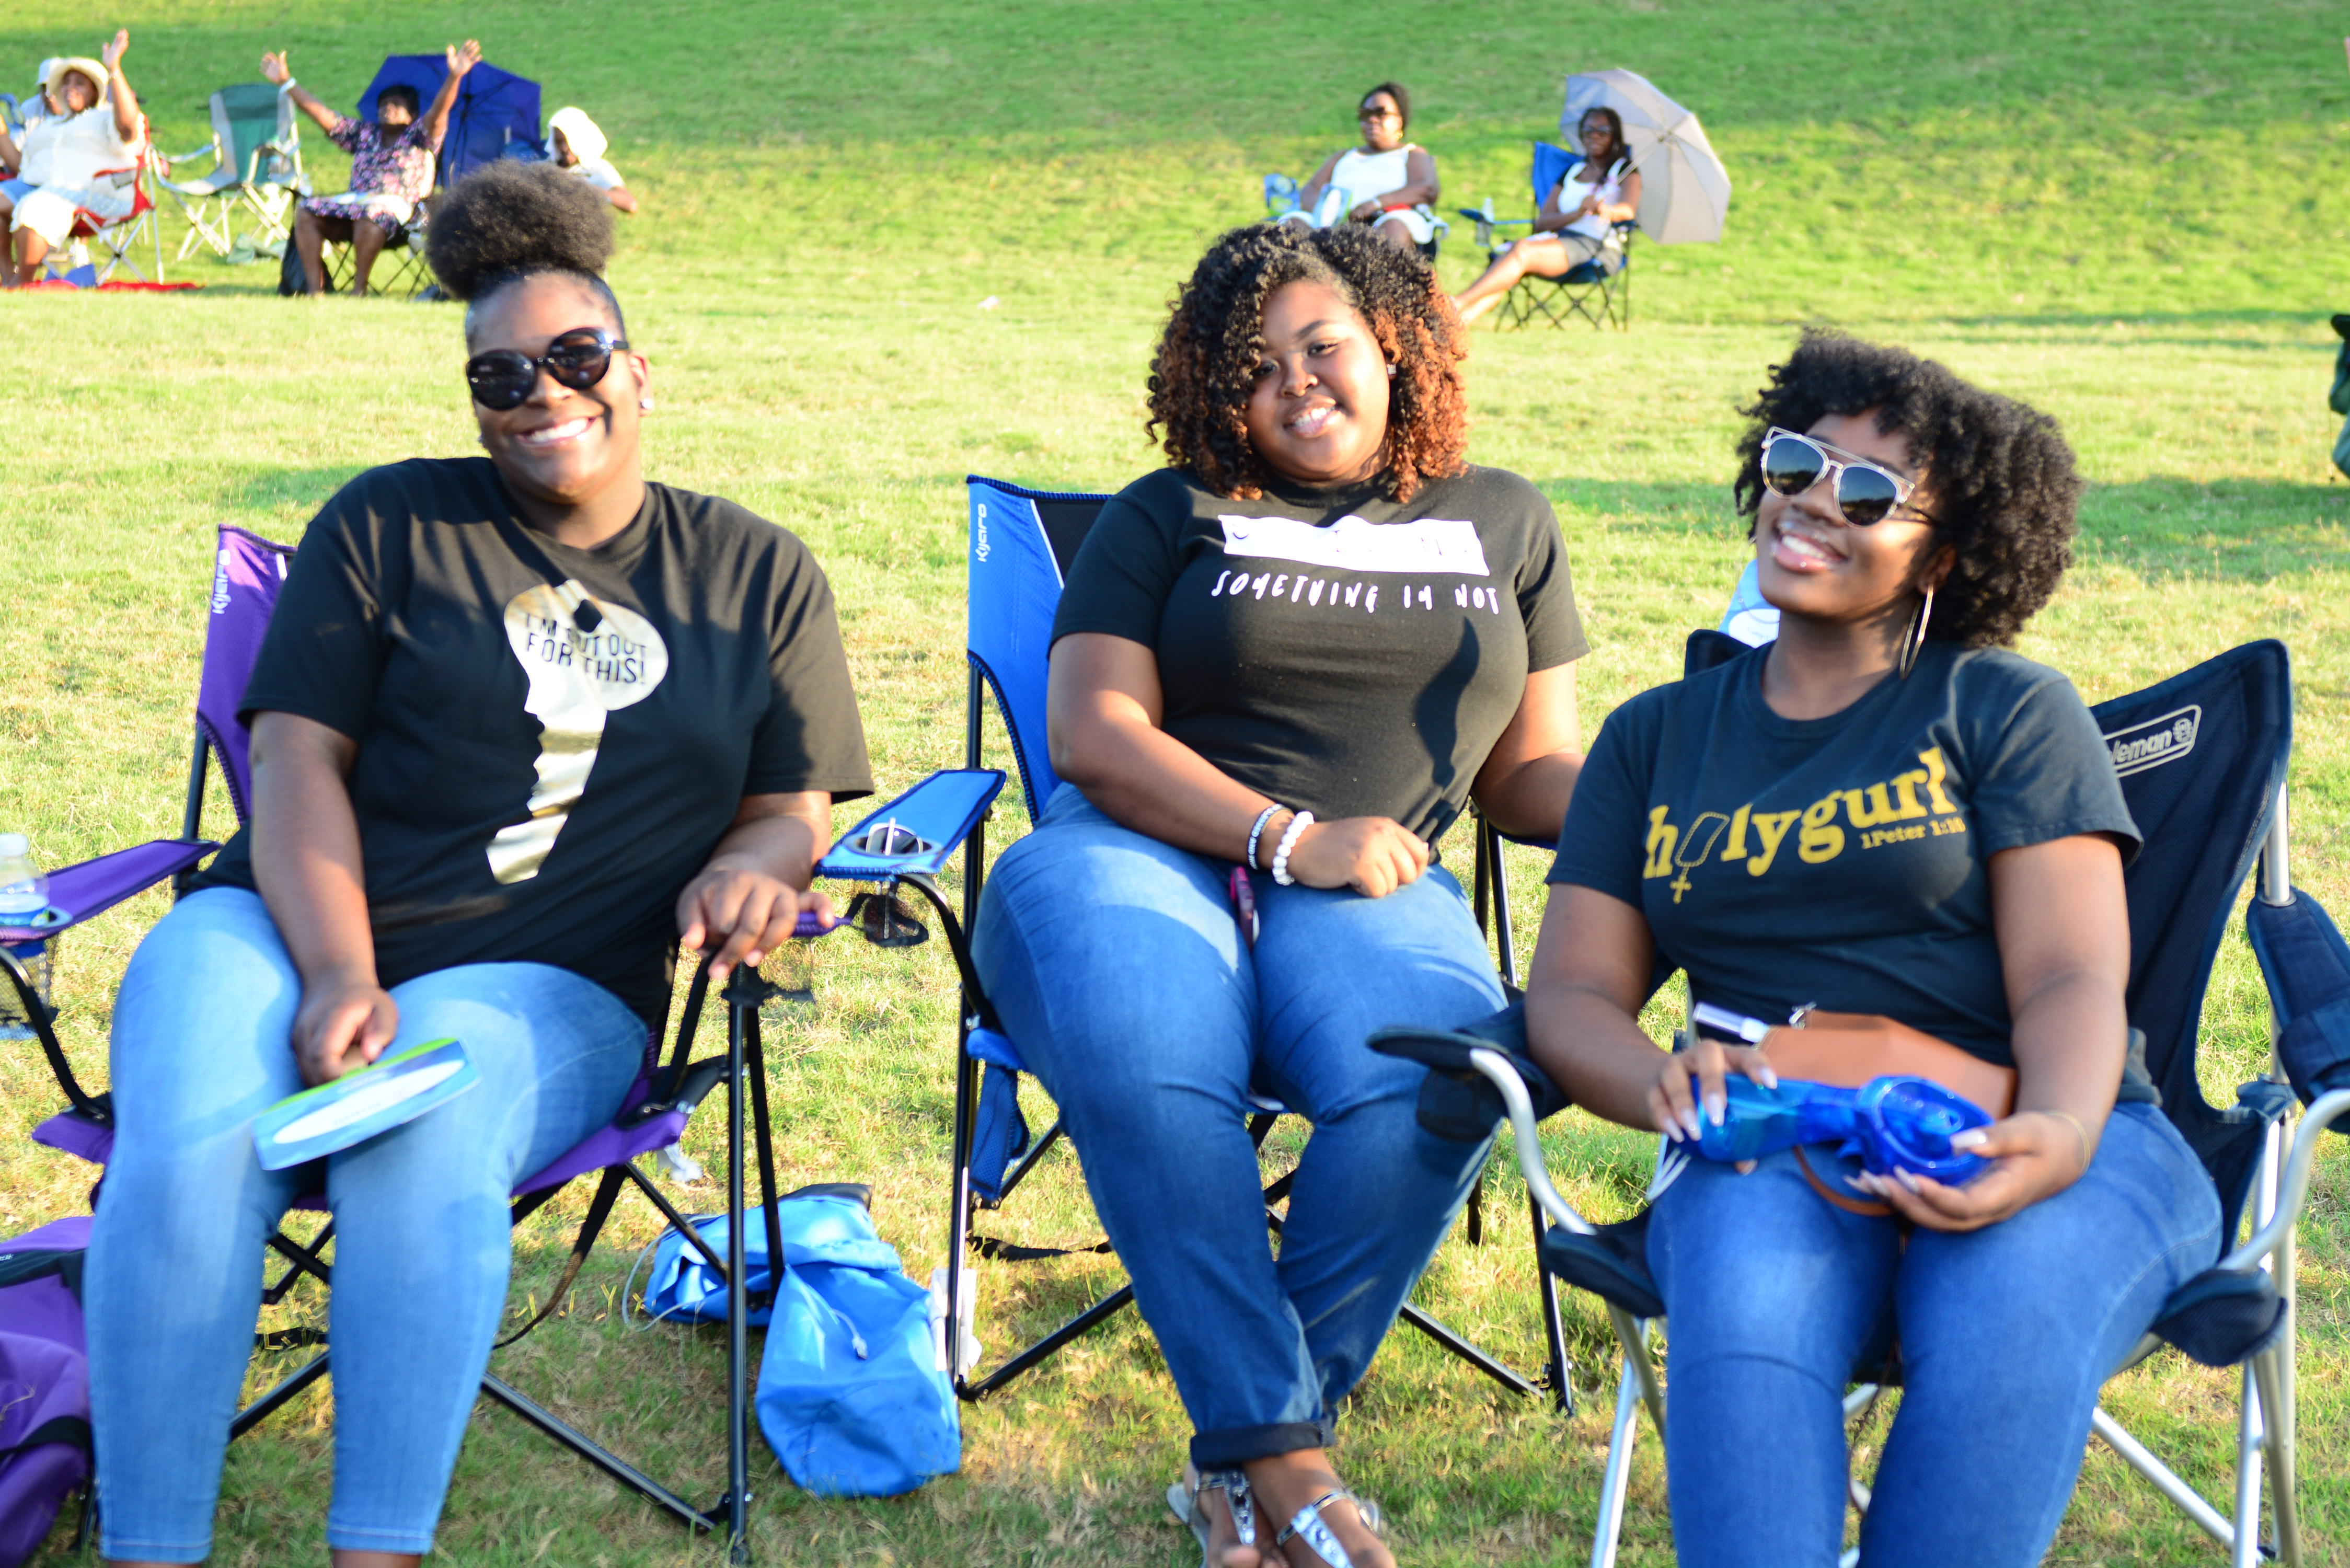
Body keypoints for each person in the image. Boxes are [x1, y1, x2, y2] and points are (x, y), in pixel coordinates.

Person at [82, 159, 873, 1565]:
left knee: (423, 1122)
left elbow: (793, 796)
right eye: (500, 378)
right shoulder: (387, 524)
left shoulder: (759, 576)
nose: (543, 397)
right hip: (275, 928)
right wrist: (336, 967)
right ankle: (152, 1547)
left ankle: (374, 1549)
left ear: (643, 372)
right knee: (190, 1148)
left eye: (576, 358)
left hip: (551, 983)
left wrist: (760, 861)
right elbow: (293, 761)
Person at [1520, 330, 2220, 1568]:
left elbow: (2070, 976)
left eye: (1865, 493)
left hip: (2054, 1124)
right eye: (1796, 462)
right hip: (1775, 1133)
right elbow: (1574, 990)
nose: (1808, 501)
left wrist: (2052, 1138)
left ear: (1940, 557)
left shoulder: (2001, 709)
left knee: (2007, 1307)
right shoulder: (1653, 739)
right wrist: (1655, 1081)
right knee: (1746, 1305)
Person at [971, 222, 1586, 1568]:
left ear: (1394, 351)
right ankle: (1289, 1462)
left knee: (1452, 1070)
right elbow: (1095, 732)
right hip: (1134, 849)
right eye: (1258, 366)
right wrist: (1282, 833)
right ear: (1215, 388)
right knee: (1147, 1049)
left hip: (1376, 881)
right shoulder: (1169, 509)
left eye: (1326, 348)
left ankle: (1244, 1470)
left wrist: (1661, 803)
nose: (1298, 383)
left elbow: (1528, 772)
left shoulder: (1504, 520)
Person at [262, 41, 480, 296]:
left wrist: (455, 77)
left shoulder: (419, 136)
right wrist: (286, 82)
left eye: (397, 104)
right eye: (383, 103)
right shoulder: (363, 133)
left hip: (398, 217)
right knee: (307, 210)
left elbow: (440, 112)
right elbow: (321, 114)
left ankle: (359, 289)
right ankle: (314, 291)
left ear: (412, 115)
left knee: (372, 213)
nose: (387, 107)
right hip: (354, 207)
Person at [1450, 107, 1640, 326]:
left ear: (1615, 135)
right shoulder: (1571, 172)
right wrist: (1577, 213)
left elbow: (1628, 209)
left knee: (1521, 251)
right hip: (1560, 239)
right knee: (1512, 256)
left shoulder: (1624, 170)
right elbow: (1543, 223)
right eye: (1588, 131)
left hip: (1597, 246)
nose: (1595, 136)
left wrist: (1606, 210)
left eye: (1603, 131)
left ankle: (1456, 305)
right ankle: (1458, 325)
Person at [0, 36, 143, 286]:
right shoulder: (50, 126)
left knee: (35, 207)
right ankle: (7, 278)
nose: (70, 88)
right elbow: (23, 169)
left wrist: (115, 69)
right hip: (39, 186)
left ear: (95, 90)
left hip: (88, 192)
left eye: (79, 83)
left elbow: (129, 128)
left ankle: (23, 283)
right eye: (65, 83)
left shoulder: (104, 119)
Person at [1281, 83, 1440, 255]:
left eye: (1381, 113)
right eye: (1366, 114)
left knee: (1393, 225)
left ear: (1399, 121)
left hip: (1384, 219)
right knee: (1293, 223)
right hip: (1334, 225)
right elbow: (1311, 189)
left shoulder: (1410, 154)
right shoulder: (1343, 157)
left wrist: (1374, 204)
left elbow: (1426, 189)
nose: (1372, 119)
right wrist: (1323, 214)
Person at [548, 106, 636, 214]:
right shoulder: (546, 168)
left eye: (568, 142)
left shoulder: (596, 168)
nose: (564, 148)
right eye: (559, 142)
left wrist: (585, 188)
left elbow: (630, 205)